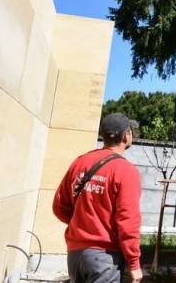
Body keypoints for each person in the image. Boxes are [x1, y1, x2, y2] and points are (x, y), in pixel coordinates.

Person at [53, 113, 142, 283]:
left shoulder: (80, 162)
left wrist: (83, 225)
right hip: (104, 259)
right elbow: (128, 221)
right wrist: (134, 263)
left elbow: (59, 206)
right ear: (126, 135)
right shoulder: (126, 171)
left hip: (75, 255)